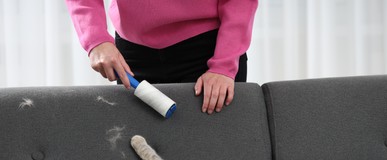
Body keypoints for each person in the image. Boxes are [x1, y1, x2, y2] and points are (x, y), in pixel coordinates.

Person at [65, 0, 258, 114]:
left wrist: (224, 65)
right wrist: (95, 40)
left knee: (211, 159)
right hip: (133, 52)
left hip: (209, 51)